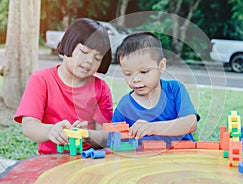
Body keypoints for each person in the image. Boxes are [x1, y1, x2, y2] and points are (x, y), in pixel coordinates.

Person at [14, 18, 113, 154]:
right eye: (84, 52)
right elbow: (29, 125)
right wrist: (51, 131)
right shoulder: (41, 80)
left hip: (89, 160)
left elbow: (106, 135)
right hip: (50, 161)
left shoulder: (101, 88)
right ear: (68, 45)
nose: (89, 61)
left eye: (97, 58)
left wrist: (87, 135)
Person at [112, 32, 200, 147]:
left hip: (183, 157)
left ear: (161, 66)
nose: (136, 79)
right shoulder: (124, 106)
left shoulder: (174, 89)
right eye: (128, 74)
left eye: (144, 72)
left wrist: (152, 127)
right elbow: (115, 142)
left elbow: (190, 123)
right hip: (148, 162)